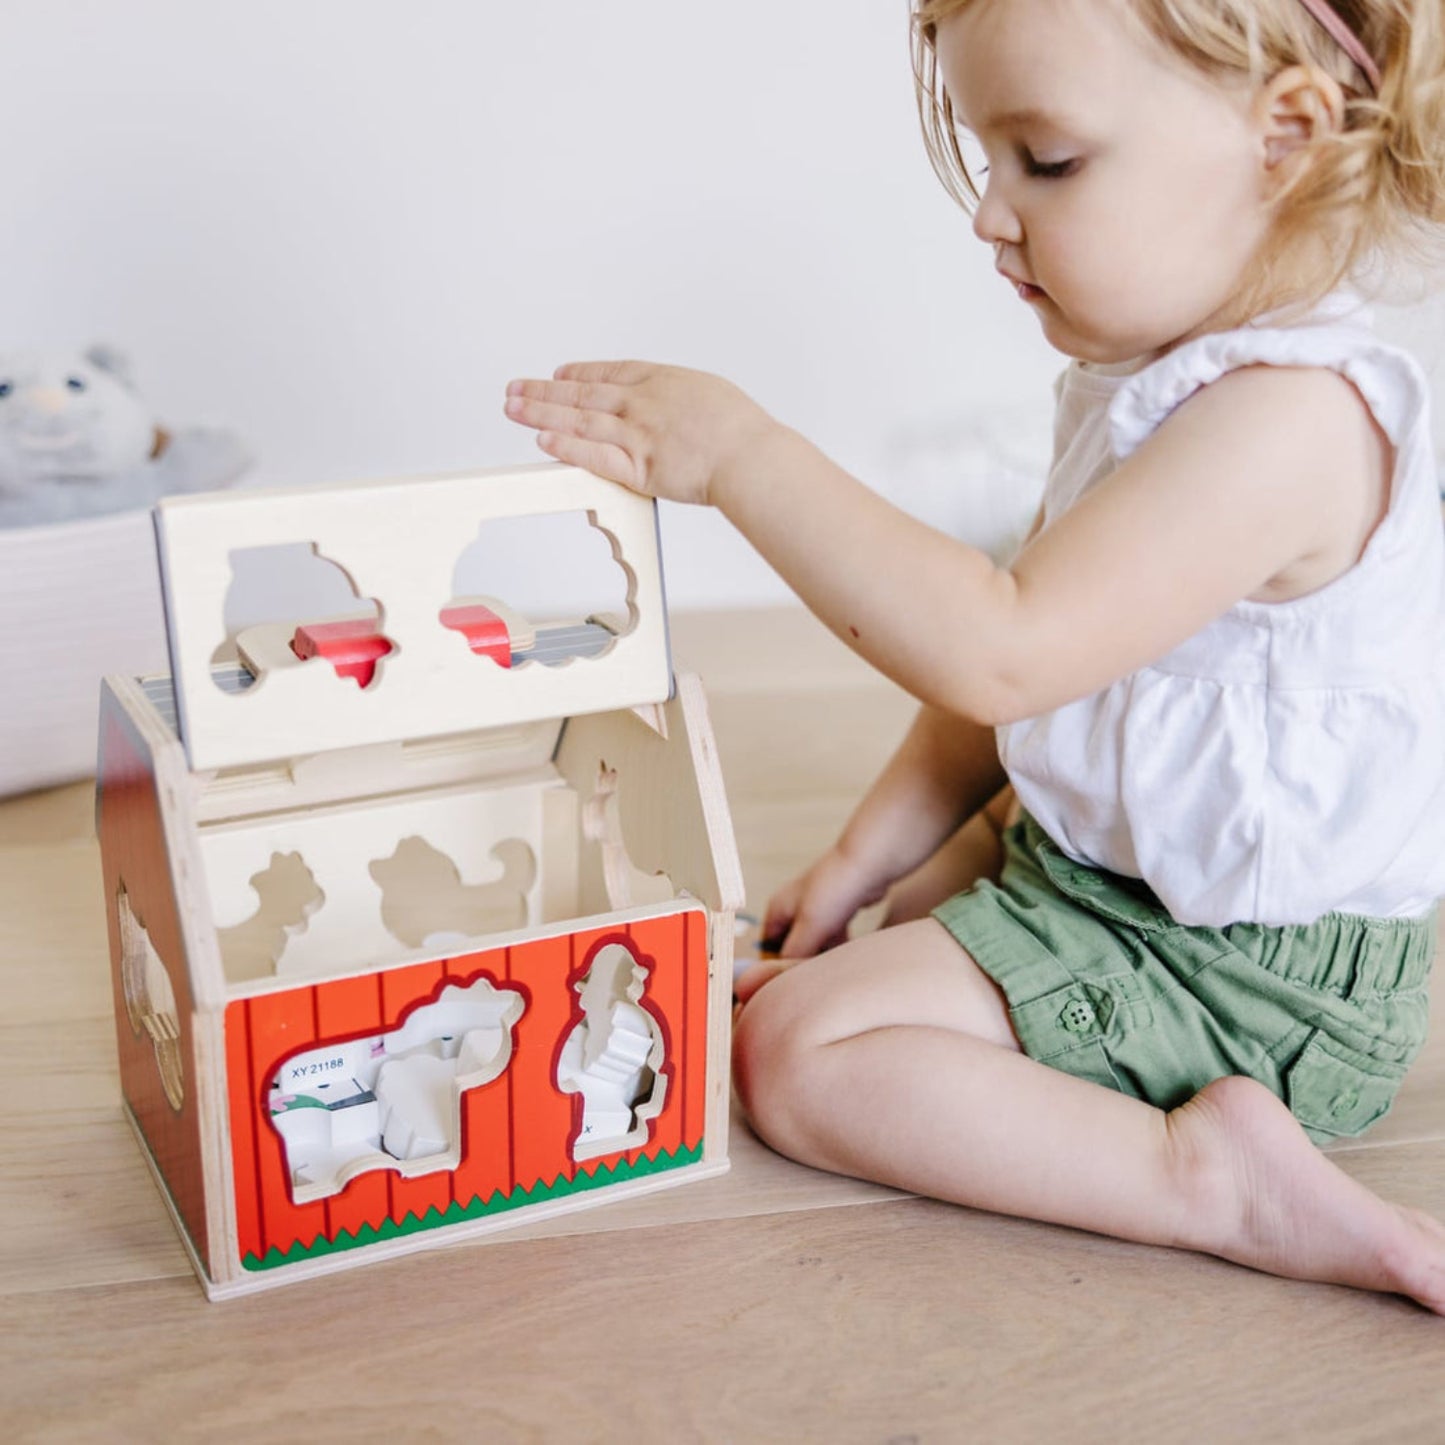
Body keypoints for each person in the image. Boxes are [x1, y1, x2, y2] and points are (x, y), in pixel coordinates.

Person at [504, 0, 1445, 1312]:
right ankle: (973, 981)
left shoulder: (1288, 424)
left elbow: (1001, 652)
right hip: (1121, 875)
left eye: (1046, 161)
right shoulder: (1159, 383)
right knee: (896, 921)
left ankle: (1204, 1177)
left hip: (1245, 977)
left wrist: (745, 459)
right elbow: (1029, 689)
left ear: (1281, 136)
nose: (990, 214)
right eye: (985, 156)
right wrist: (866, 854)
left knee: (794, 1055)